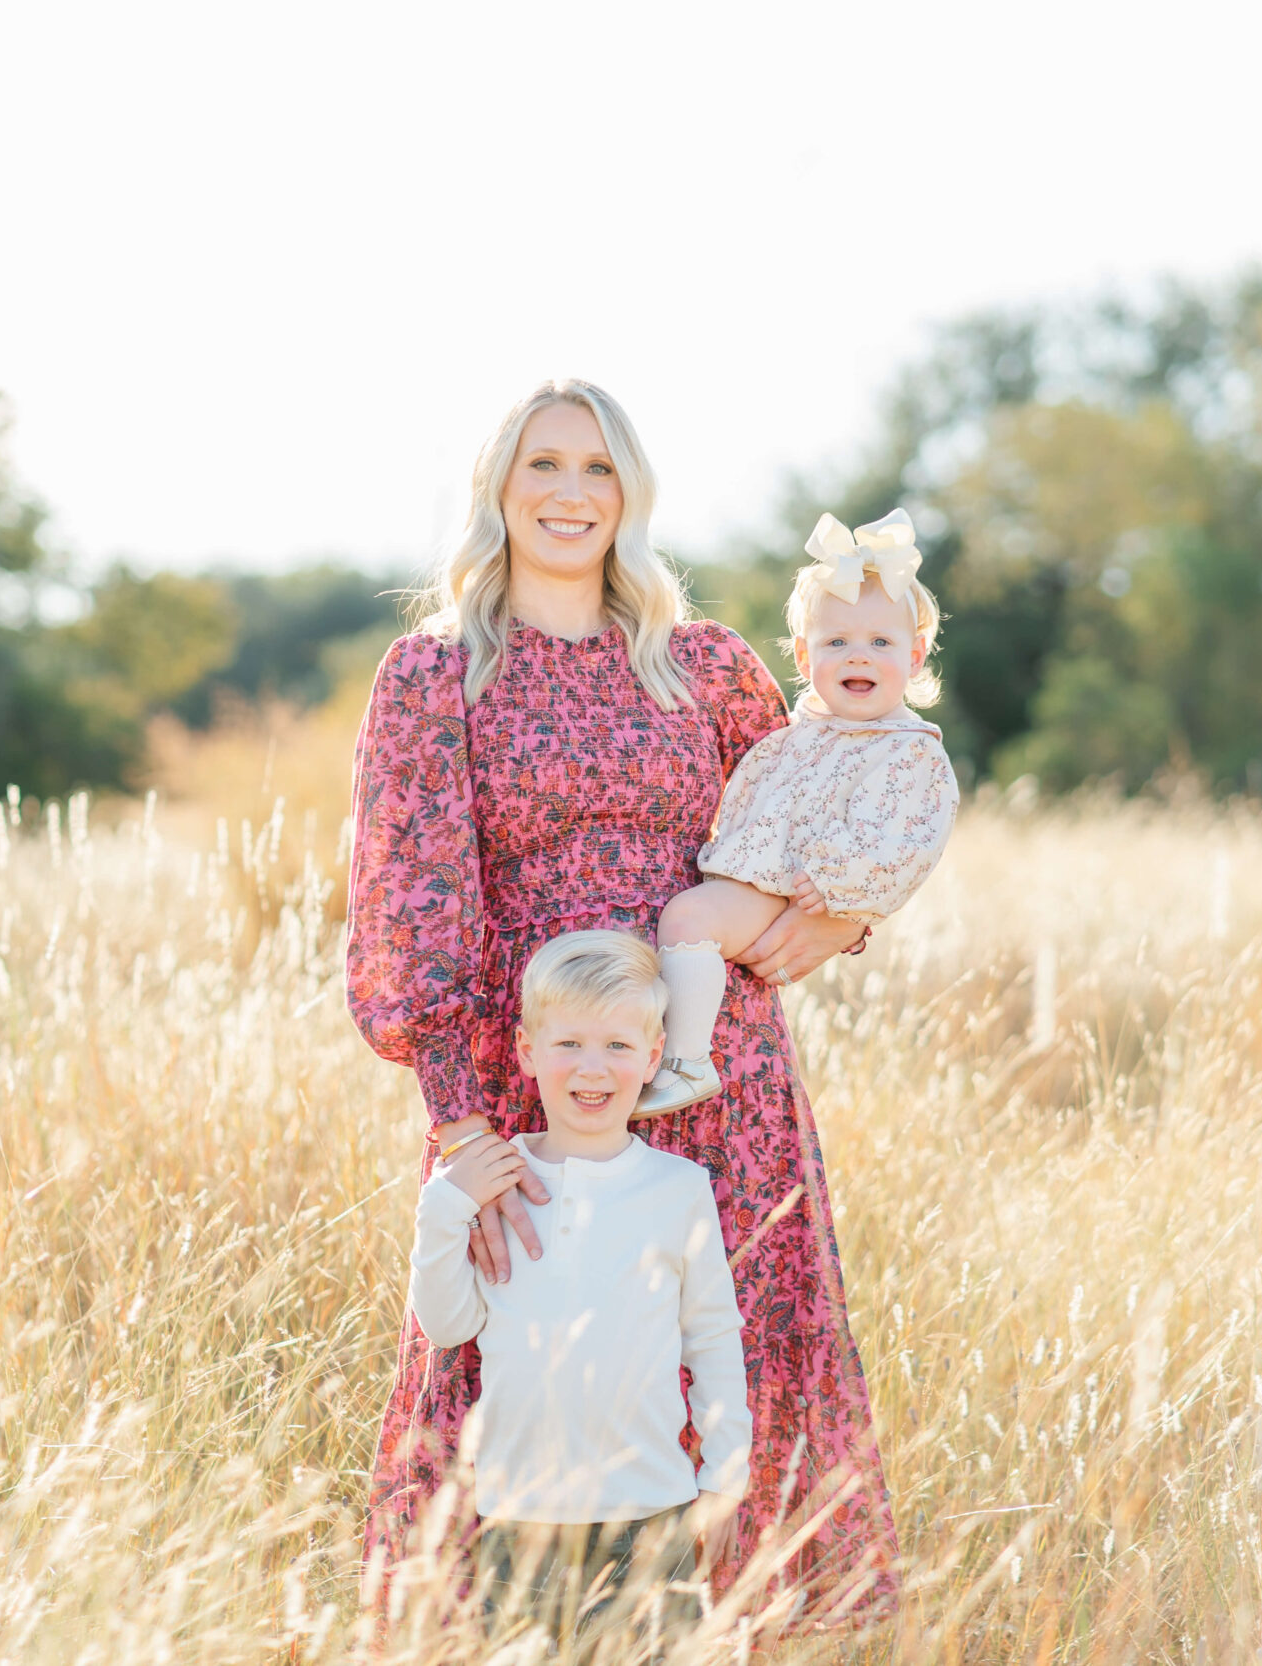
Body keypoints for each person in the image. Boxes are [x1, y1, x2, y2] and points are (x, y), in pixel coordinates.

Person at [348, 379, 900, 1632]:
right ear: (499, 486)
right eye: (543, 464)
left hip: (719, 1069)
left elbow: (827, 800)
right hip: (535, 1079)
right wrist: (462, 1126)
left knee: (738, 1344)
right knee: (525, 1352)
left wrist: (832, 922)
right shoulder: (437, 674)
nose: (569, 493)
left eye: (598, 470)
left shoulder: (700, 662)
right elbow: (410, 900)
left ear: (629, 494)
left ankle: (752, 1634)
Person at [408, 929, 747, 1656]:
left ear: (654, 1056)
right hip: (520, 1515)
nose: (593, 1068)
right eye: (569, 1044)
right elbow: (448, 1325)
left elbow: (713, 1336)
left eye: (620, 1047)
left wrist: (726, 1476)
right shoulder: (498, 1183)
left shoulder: (677, 1189)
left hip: (651, 1510)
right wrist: (443, 1208)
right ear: (527, 1051)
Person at [638, 509, 961, 1114]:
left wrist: (841, 892)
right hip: (761, 875)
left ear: (915, 656)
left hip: (791, 887)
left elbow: (911, 841)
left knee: (686, 921)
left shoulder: (909, 752)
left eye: (880, 643)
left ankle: (686, 1061)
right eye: (837, 642)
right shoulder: (800, 732)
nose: (857, 657)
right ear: (805, 659)